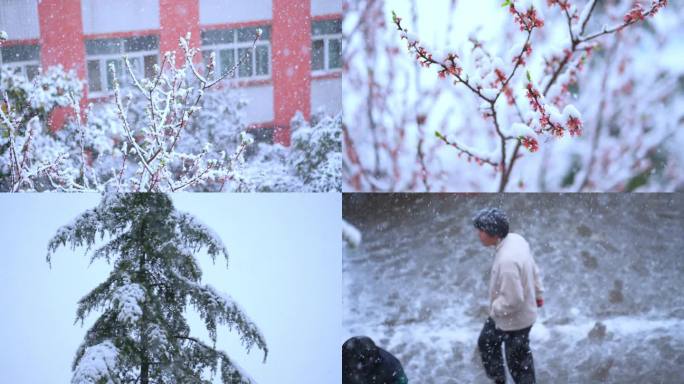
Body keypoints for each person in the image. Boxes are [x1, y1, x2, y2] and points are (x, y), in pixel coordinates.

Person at [473, 208, 544, 384]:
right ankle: (498, 379)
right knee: (486, 342)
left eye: (481, 230)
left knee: (519, 367)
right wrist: (538, 292)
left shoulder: (506, 262)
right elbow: (533, 267)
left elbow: (513, 300)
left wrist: (494, 308)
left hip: (515, 322)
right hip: (512, 316)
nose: (478, 234)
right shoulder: (516, 240)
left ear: (494, 234)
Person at [342, 336, 409, 384]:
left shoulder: (390, 365)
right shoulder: (340, 362)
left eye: (363, 364)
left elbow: (401, 380)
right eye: (353, 363)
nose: (358, 368)